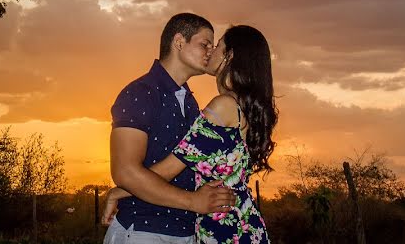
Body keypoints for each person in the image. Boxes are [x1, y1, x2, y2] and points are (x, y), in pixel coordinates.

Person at [105, 25, 278, 244]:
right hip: (240, 224)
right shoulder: (244, 108)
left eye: (216, 46)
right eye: (206, 44)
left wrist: (119, 191)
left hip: (225, 229)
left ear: (230, 55)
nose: (210, 51)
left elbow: (170, 168)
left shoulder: (223, 106)